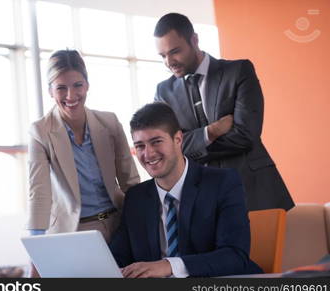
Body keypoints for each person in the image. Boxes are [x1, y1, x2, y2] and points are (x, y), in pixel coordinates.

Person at [153, 13, 293, 211]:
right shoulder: (163, 92)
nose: (169, 62)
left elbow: (246, 135)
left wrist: (191, 145)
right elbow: (168, 148)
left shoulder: (239, 71)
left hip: (254, 191)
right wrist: (212, 132)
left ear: (194, 40)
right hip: (203, 199)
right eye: (162, 56)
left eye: (175, 51)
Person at [109, 102, 263, 278]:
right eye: (140, 146)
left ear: (178, 139)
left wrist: (169, 266)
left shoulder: (222, 183)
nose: (148, 154)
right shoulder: (136, 198)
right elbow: (116, 258)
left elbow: (235, 255)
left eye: (156, 142)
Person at [27, 50, 140, 246]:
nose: (71, 96)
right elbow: (39, 194)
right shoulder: (40, 131)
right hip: (73, 231)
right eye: (61, 88)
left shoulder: (110, 123)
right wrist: (35, 249)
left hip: (119, 224)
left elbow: (130, 181)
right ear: (50, 91)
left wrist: (144, 225)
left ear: (87, 85)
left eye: (77, 85)